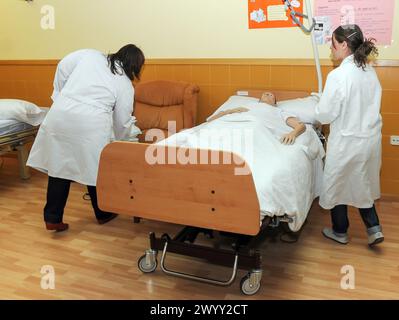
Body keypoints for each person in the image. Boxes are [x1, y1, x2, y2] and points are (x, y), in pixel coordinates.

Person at [27, 44, 145, 232]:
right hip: (90, 124)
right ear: (135, 66)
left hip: (60, 114)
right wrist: (122, 142)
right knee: (96, 169)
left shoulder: (90, 55)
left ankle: (52, 218)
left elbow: (63, 66)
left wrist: (60, 95)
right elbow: (122, 121)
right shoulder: (125, 84)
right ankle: (103, 214)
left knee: (59, 167)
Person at [314, 24, 384, 246]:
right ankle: (374, 229)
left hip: (347, 141)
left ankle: (340, 231)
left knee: (338, 184)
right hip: (370, 139)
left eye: (333, 44)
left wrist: (318, 105)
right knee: (361, 182)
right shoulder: (369, 71)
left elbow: (325, 114)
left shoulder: (338, 75)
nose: (331, 49)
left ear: (344, 45)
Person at [207, 91, 306, 145]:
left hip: (254, 128)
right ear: (259, 100)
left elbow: (300, 126)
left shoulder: (278, 111)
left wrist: (293, 134)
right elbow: (210, 121)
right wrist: (229, 111)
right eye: (265, 94)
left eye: (271, 95)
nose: (267, 94)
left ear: (275, 103)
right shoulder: (247, 105)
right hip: (231, 125)